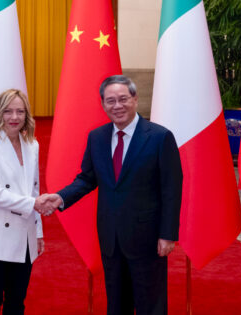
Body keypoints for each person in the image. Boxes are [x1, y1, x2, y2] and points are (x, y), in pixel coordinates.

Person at [38, 75, 183, 315]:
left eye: (123, 99)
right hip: (111, 238)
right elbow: (87, 178)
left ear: (135, 99)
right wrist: (60, 198)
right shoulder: (97, 137)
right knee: (116, 303)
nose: (117, 106)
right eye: (111, 101)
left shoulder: (160, 137)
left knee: (151, 304)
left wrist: (168, 235)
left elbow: (171, 189)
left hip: (147, 239)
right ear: (103, 104)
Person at [0, 89, 52, 315]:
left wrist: (38, 231)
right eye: (8, 111)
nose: (14, 117)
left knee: (17, 301)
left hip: (24, 236)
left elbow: (33, 189)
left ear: (27, 115)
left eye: (20, 111)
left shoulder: (32, 145)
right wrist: (33, 205)